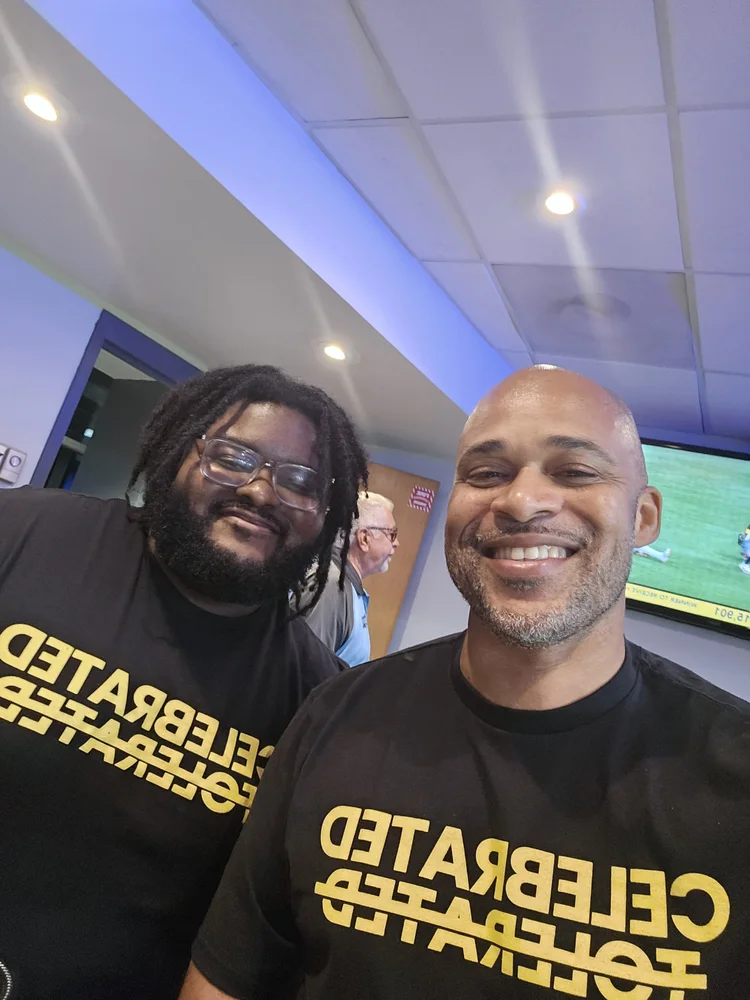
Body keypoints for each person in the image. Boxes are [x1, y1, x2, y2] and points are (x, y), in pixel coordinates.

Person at [181, 365, 750, 1000]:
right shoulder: (335, 716)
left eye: (574, 472)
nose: (522, 501)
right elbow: (229, 977)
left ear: (643, 517)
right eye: (486, 473)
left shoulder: (734, 777)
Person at [0, 363, 369, 1000]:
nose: (262, 491)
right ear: (178, 453)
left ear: (327, 514)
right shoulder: (23, 533)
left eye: (300, 481)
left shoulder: (314, 700)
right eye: (233, 457)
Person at [304, 491, 399, 666]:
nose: (396, 543)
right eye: (392, 534)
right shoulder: (331, 587)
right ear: (364, 539)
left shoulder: (346, 588)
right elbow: (302, 667)